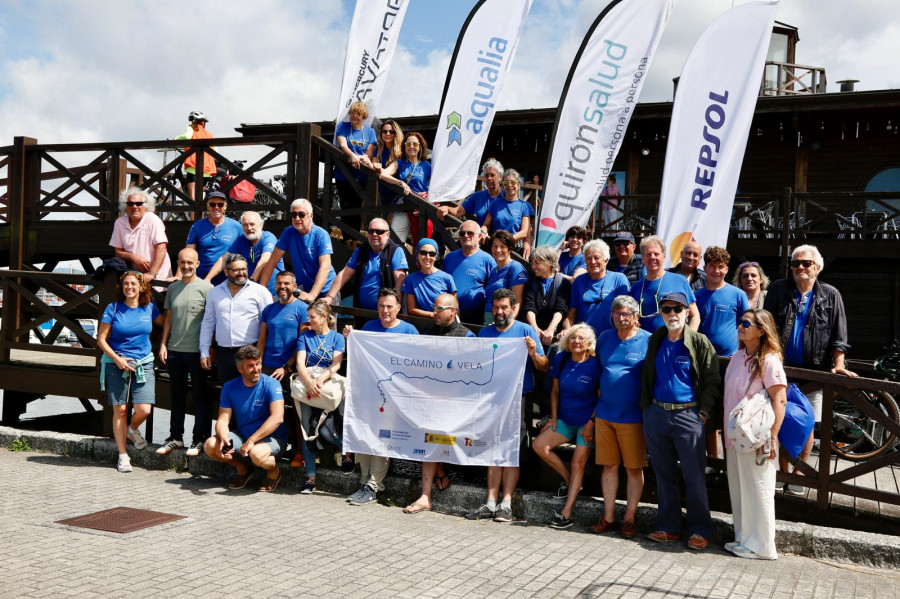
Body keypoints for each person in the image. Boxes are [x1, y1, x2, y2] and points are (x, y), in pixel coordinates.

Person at [763, 244, 856, 495]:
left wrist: (838, 365)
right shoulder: (779, 289)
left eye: (805, 263)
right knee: (779, 420)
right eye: (795, 264)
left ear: (817, 267)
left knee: (807, 424)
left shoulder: (830, 294)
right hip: (780, 371)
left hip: (815, 372)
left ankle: (799, 474)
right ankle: (782, 472)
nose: (800, 268)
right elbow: (766, 325)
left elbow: (839, 334)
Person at [640, 292, 720, 550]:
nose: (672, 314)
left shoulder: (699, 342)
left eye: (677, 309)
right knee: (663, 475)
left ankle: (700, 529)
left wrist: (704, 412)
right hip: (657, 414)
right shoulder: (656, 339)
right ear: (661, 313)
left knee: (694, 475)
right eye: (666, 309)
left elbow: (711, 379)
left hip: (688, 415)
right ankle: (669, 527)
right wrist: (647, 410)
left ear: (687, 312)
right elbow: (646, 376)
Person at [468, 288, 548, 523]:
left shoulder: (525, 330)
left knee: (511, 451)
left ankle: (506, 503)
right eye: (495, 307)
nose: (499, 312)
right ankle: (491, 502)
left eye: (504, 307)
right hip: (491, 399)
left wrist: (533, 353)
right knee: (493, 448)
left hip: (519, 398)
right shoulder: (484, 333)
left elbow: (543, 366)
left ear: (514, 308)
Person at [342, 288, 419, 506]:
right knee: (365, 436)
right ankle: (364, 482)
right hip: (369, 394)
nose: (385, 311)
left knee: (383, 439)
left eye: (389, 306)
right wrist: (351, 340)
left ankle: (375, 485)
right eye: (381, 306)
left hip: (394, 398)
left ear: (398, 308)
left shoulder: (409, 331)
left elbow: (418, 363)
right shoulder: (368, 328)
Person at [723, 308, 787, 560]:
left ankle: (763, 546)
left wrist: (773, 437)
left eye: (746, 323)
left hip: (758, 437)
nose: (741, 326)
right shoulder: (738, 356)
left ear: (761, 330)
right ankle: (744, 538)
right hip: (736, 435)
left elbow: (779, 400)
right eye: (740, 322)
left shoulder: (770, 360)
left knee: (759, 489)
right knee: (739, 488)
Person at [404, 294, 475, 514]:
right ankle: (425, 496)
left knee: (440, 437)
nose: (433, 312)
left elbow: (471, 371)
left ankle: (441, 470)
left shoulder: (468, 336)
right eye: (433, 309)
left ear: (452, 311)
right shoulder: (429, 334)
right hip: (431, 399)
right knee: (428, 438)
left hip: (457, 402)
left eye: (438, 309)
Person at [590, 296, 651, 539]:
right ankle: (608, 516)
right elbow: (598, 375)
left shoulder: (647, 340)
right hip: (605, 413)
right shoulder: (604, 338)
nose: (621, 317)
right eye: (617, 313)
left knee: (634, 468)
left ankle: (629, 518)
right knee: (609, 466)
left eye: (626, 313)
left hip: (633, 416)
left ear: (636, 316)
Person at [531, 324, 601, 529]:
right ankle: (571, 482)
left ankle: (566, 513)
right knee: (539, 446)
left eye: (581, 338)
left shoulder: (595, 365)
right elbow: (554, 391)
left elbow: (601, 396)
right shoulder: (561, 359)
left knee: (578, 462)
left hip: (586, 423)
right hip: (565, 419)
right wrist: (553, 418)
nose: (576, 342)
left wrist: (591, 423)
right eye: (572, 338)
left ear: (588, 343)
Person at [97, 271, 164, 473]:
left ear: (141, 287)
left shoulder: (149, 308)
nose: (129, 287)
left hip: (143, 363)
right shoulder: (113, 308)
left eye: (133, 283)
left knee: (144, 409)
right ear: (121, 287)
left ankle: (131, 430)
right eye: (125, 284)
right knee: (121, 410)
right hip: (117, 364)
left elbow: (165, 322)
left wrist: (165, 342)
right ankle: (123, 455)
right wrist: (117, 359)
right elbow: (101, 339)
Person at [203, 345, 288, 492]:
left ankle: (274, 472)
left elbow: (277, 417)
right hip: (243, 437)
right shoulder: (229, 387)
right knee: (210, 445)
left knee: (256, 454)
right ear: (240, 369)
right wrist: (223, 438)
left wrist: (252, 441)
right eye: (250, 366)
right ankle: (243, 468)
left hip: (272, 438)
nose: (256, 369)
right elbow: (223, 418)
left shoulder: (271, 384)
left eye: (258, 364)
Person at [695, 246, 750, 464]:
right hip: (704, 362)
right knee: (706, 412)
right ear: (705, 267)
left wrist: (743, 355)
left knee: (730, 411)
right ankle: (712, 461)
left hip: (730, 362)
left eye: (721, 267)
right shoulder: (697, 295)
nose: (716, 271)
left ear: (727, 269)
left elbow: (746, 325)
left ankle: (730, 464)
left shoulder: (738, 294)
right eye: (712, 266)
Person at [157, 248, 214, 457]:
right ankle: (175, 438)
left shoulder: (208, 289)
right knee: (176, 396)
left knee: (200, 396)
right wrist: (163, 344)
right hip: (175, 350)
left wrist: (209, 350)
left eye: (190, 263)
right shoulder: (173, 288)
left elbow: (212, 322)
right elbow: (169, 318)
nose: (186, 266)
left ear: (197, 264)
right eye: (183, 263)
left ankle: (199, 439)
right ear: (178, 264)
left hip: (197, 352)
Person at [294, 299, 348, 495]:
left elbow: (336, 364)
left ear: (325, 316)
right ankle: (310, 477)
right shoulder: (305, 336)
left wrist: (321, 380)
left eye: (312, 317)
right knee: (307, 428)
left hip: (327, 388)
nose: (309, 321)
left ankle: (348, 451)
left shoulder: (337, 338)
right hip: (308, 387)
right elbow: (300, 363)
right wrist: (309, 382)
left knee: (326, 431)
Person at [199, 254, 273, 385]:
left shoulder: (260, 291)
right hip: (224, 354)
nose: (241, 273)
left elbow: (270, 325)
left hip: (251, 352)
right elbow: (208, 322)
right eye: (236, 270)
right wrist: (204, 350)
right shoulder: (214, 293)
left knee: (251, 391)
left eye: (244, 269)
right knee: (227, 393)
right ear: (226, 272)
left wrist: (263, 354)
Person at [326, 218, 408, 314]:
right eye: (371, 231)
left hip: (386, 314)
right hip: (361, 312)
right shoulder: (361, 251)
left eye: (379, 232)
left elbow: (400, 280)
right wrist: (330, 297)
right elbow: (344, 274)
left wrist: (395, 304)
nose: (374, 234)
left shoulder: (395, 251)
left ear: (388, 234)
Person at [261, 198, 335, 302]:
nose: (297, 218)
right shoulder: (289, 232)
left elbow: (325, 267)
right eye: (293, 215)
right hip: (304, 291)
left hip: (325, 291)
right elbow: (272, 261)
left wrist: (312, 295)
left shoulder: (321, 234)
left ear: (311, 216)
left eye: (301, 214)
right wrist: (261, 290)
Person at [630, 235, 700, 332]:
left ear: (664, 257)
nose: (652, 257)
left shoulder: (679, 281)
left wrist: (690, 339)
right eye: (648, 254)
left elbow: (695, 315)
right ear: (643, 258)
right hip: (644, 344)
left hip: (673, 344)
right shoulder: (636, 287)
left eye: (656, 254)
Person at [204, 211, 284, 295]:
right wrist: (208, 279)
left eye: (252, 224)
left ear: (260, 224)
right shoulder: (241, 240)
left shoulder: (268, 237)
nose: (249, 228)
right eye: (245, 225)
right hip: (252, 292)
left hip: (274, 292)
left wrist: (252, 282)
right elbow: (223, 259)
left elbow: (264, 260)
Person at [109, 186, 173, 285]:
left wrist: (152, 273)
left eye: (139, 203)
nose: (134, 206)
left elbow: (161, 248)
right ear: (125, 206)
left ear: (146, 206)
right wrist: (134, 258)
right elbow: (118, 252)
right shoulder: (119, 222)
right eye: (130, 203)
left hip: (158, 277)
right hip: (135, 279)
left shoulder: (153, 219)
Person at [566, 239, 630, 336]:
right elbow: (571, 312)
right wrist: (568, 332)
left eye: (597, 258)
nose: (592, 262)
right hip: (583, 340)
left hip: (610, 338)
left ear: (606, 260)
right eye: (588, 258)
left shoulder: (619, 279)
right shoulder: (579, 281)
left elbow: (627, 311)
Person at [379, 131, 432, 245]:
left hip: (420, 208)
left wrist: (427, 193)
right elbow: (383, 175)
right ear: (404, 147)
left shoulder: (426, 165)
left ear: (420, 147)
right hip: (404, 206)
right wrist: (401, 183)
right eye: (408, 144)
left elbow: (436, 184)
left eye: (415, 144)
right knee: (395, 241)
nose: (411, 147)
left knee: (422, 242)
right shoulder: (400, 163)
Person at [441, 220, 496, 325]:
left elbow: (492, 290)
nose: (466, 236)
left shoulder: (488, 260)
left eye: (470, 233)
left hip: (476, 317)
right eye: (462, 233)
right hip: (450, 314)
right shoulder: (450, 257)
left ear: (479, 236)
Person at [334, 100, 377, 233]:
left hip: (360, 175)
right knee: (345, 206)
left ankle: (354, 238)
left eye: (358, 114)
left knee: (357, 206)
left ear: (363, 116)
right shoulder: (343, 126)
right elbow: (343, 145)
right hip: (343, 174)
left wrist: (359, 158)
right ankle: (347, 238)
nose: (354, 116)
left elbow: (369, 153)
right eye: (352, 113)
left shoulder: (370, 132)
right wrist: (352, 155)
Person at [257, 271, 308, 384]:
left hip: (291, 368)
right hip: (267, 365)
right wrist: (259, 363)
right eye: (279, 283)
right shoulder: (268, 309)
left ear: (294, 286)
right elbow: (261, 340)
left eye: (286, 283)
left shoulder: (303, 309)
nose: (282, 287)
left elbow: (303, 342)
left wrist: (287, 367)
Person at [184, 191, 242, 284]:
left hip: (229, 281)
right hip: (202, 281)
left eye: (220, 204)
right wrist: (179, 275)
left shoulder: (236, 226)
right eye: (212, 204)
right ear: (207, 206)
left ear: (225, 206)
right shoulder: (197, 226)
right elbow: (188, 253)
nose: (216, 207)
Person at [522, 245, 570, 350]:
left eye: (537, 263)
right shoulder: (531, 283)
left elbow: (561, 307)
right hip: (533, 337)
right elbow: (529, 307)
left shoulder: (563, 283)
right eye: (532, 263)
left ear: (550, 262)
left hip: (555, 338)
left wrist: (551, 328)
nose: (533, 267)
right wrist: (535, 329)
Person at [482, 169, 534, 258]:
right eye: (506, 183)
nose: (509, 185)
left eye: (513, 182)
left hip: (514, 247)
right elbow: (486, 225)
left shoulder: (524, 206)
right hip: (496, 247)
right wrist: (482, 231)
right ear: (503, 186)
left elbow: (524, 231)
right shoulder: (495, 203)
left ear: (518, 185)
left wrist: (505, 241)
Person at [436, 158, 504, 227]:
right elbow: (457, 211)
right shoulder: (477, 197)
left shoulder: (506, 196)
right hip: (483, 236)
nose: (489, 178)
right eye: (486, 175)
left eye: (492, 175)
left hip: (504, 236)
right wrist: (446, 208)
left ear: (500, 177)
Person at [403, 238, 456, 322]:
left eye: (432, 254)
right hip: (422, 325)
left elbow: (455, 308)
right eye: (423, 253)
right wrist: (432, 315)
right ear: (417, 255)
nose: (427, 257)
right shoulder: (410, 279)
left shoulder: (447, 278)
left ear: (436, 257)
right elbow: (411, 309)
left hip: (443, 324)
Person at [483, 230, 528, 323]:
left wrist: (508, 324)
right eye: (495, 246)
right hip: (489, 318)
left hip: (502, 321)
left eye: (502, 246)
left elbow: (517, 302)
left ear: (510, 249)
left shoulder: (515, 268)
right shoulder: (493, 270)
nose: (498, 250)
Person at [372, 119, 405, 235]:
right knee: (385, 224)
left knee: (393, 225)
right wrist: (374, 165)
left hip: (397, 193)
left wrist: (381, 169)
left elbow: (389, 171)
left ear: (396, 133)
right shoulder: (379, 149)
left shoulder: (401, 151)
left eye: (391, 132)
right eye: (385, 131)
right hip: (383, 192)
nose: (388, 134)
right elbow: (374, 163)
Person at [175, 110, 215, 198]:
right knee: (200, 199)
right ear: (203, 122)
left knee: (193, 199)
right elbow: (216, 151)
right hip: (207, 167)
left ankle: (193, 212)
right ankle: (201, 212)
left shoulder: (192, 128)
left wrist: (175, 139)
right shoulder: (210, 134)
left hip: (194, 164)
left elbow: (187, 137)